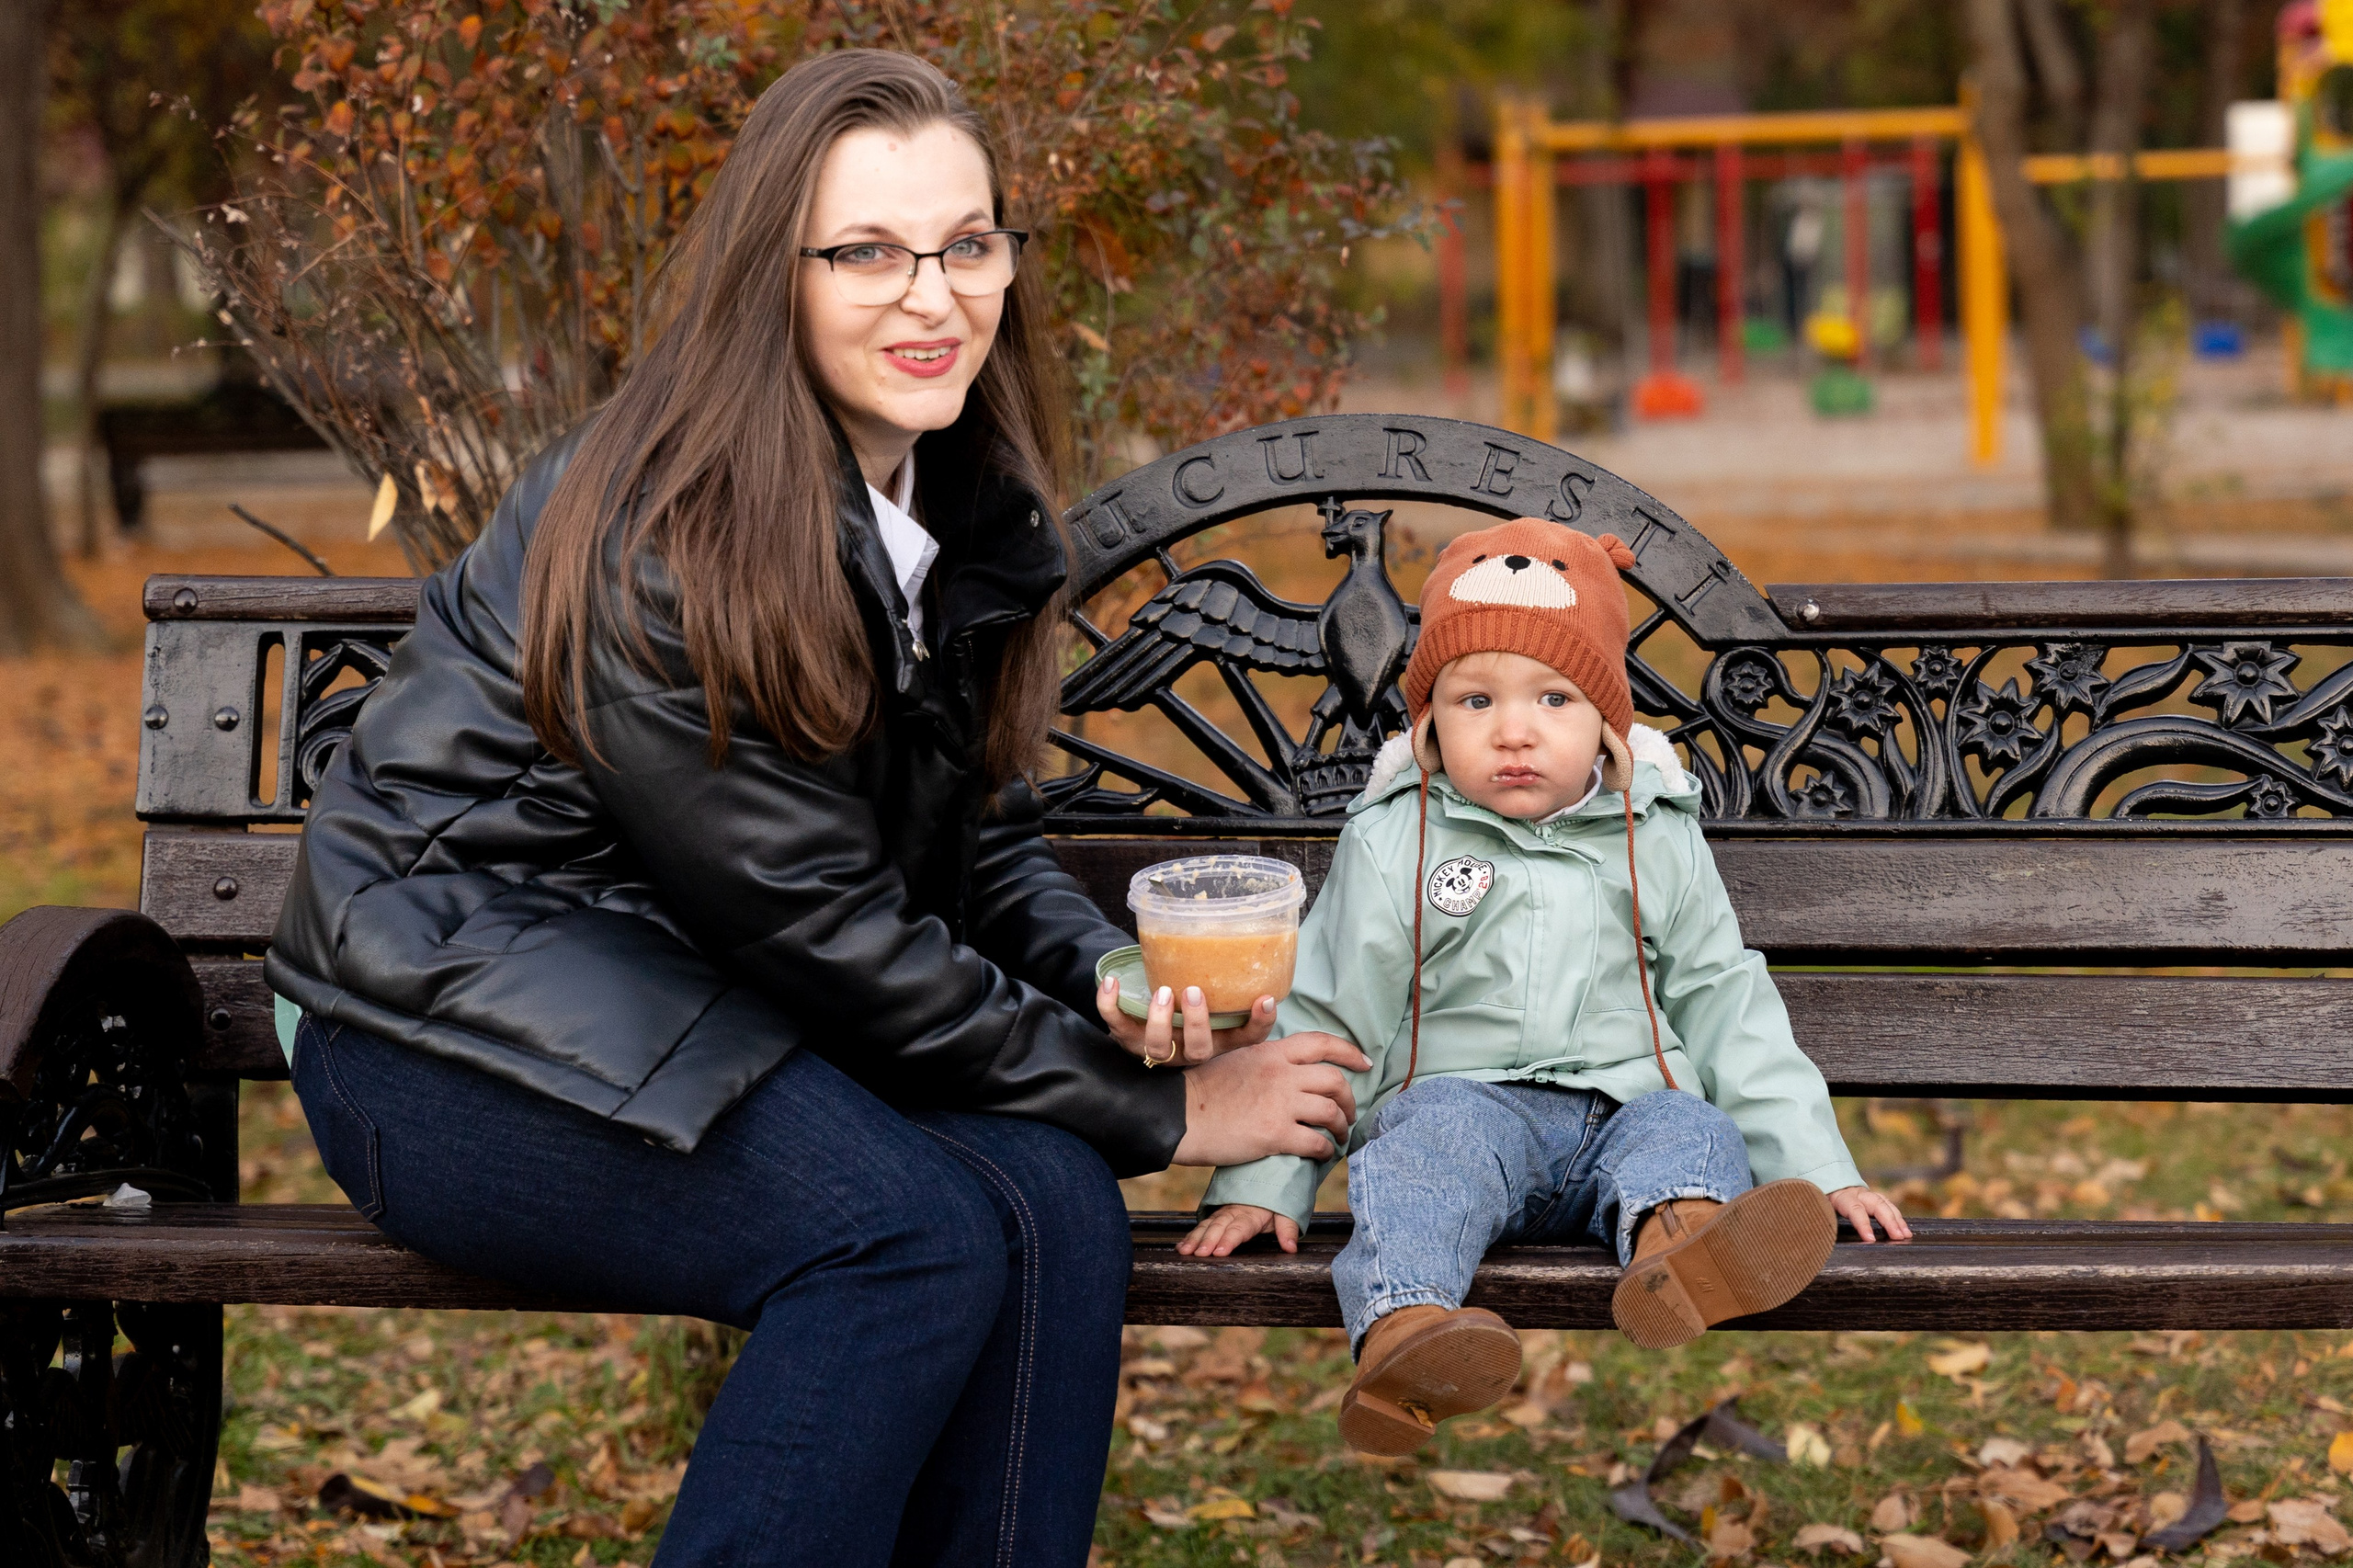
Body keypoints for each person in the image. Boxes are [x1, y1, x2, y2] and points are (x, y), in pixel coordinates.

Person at [264, 48, 1368, 1567]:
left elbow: (977, 837)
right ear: (768, 276)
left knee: (1051, 1207)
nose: (933, 295)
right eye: (866, 251)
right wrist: (1165, 1111)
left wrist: (1109, 980)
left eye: (966, 243)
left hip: (692, 1008)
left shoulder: (951, 501)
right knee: (905, 1238)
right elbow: (817, 921)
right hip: (439, 1033)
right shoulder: (666, 523)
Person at [1177, 518, 1912, 1457]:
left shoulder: (1654, 833)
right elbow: (1331, 1012)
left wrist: (1816, 1166)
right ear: (1430, 718)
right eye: (1475, 699)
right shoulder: (1396, 838)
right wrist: (1267, 1179)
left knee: (1693, 1130)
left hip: (1624, 1112)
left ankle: (1681, 1244)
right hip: (1465, 1110)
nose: (1513, 730)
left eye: (1553, 698)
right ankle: (1406, 1334)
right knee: (1418, 1155)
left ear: (1608, 720)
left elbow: (1724, 1003)